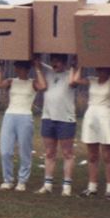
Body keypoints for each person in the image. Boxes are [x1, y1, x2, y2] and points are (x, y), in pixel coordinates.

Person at [0, 61, 46, 192]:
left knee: (25, 150)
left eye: (20, 67)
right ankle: (8, 180)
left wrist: (38, 68)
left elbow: (43, 86)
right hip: (10, 116)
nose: (17, 69)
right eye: (16, 67)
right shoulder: (11, 81)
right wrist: (1, 69)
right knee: (6, 151)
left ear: (26, 69)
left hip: (25, 116)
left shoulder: (32, 83)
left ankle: (22, 181)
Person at [36, 54, 80, 196]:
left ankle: (67, 186)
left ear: (64, 63)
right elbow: (36, 62)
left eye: (58, 61)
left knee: (67, 153)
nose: (55, 64)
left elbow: (74, 82)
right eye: (53, 61)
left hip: (65, 120)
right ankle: (47, 184)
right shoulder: (48, 72)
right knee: (49, 153)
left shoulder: (71, 74)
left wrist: (75, 64)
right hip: (48, 118)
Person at [73, 67, 110, 199]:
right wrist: (81, 64)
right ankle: (92, 187)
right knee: (92, 155)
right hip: (91, 115)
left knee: (107, 155)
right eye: (98, 69)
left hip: (105, 115)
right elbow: (75, 79)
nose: (100, 71)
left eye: (103, 69)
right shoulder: (92, 80)